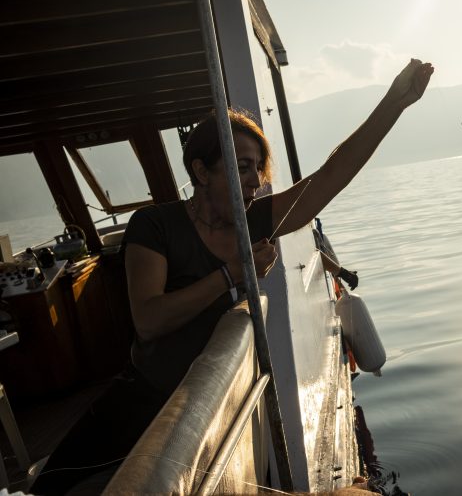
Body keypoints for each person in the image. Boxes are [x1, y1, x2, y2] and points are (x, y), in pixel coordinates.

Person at [31, 59, 433, 494]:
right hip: (144, 398)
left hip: (206, 408)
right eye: (242, 167)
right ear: (201, 172)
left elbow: (328, 178)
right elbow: (150, 319)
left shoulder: (253, 221)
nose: (256, 182)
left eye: (258, 168)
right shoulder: (154, 226)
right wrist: (232, 275)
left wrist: (395, 103)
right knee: (50, 487)